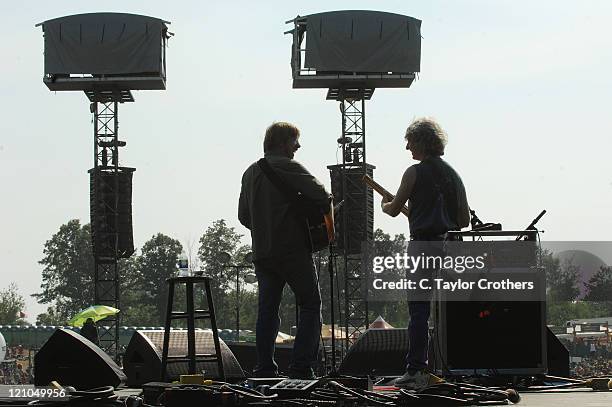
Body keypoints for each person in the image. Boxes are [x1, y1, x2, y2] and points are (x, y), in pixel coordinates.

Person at [381, 117, 469, 389]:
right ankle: (458, 363)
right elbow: (464, 220)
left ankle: (417, 369)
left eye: (410, 141)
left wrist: (385, 204)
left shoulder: (414, 172)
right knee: (449, 310)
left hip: (422, 246)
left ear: (421, 142)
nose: (408, 147)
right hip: (449, 247)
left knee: (419, 310)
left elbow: (395, 208)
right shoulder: (454, 175)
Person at [238, 122, 331, 379]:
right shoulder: (289, 167)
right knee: (311, 304)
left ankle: (264, 368)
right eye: (294, 142)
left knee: (267, 310)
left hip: (263, 254)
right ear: (281, 143)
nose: (297, 147)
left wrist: (265, 227)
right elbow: (323, 197)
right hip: (293, 250)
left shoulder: (250, 173)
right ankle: (301, 367)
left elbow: (243, 215)